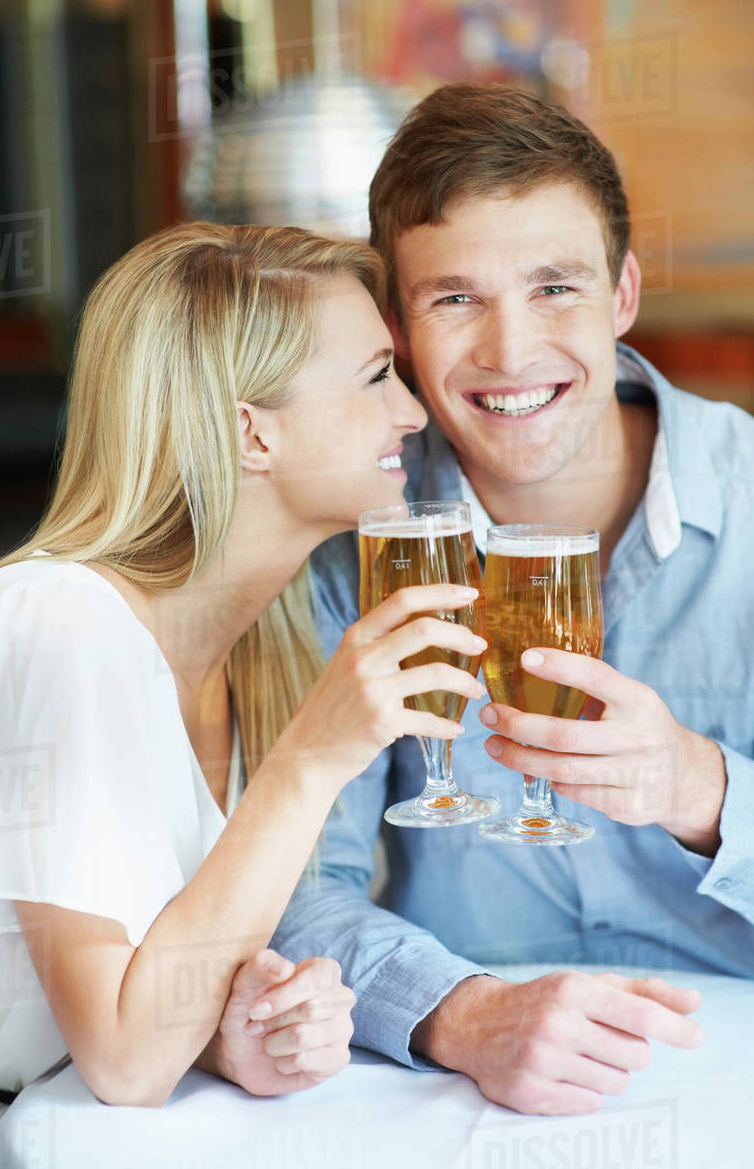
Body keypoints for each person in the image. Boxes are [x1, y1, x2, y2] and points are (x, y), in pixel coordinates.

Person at [0, 222, 492, 1161]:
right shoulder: (56, 626)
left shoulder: (259, 653)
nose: (413, 413)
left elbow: (141, 999)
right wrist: (314, 759)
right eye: (376, 377)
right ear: (252, 431)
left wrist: (233, 1029)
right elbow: (125, 1062)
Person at [273, 82, 754, 1116]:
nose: (508, 350)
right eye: (454, 298)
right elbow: (292, 883)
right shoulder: (348, 550)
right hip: (463, 1100)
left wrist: (707, 794)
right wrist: (464, 1012)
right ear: (398, 324)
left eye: (554, 287)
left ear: (623, 292)